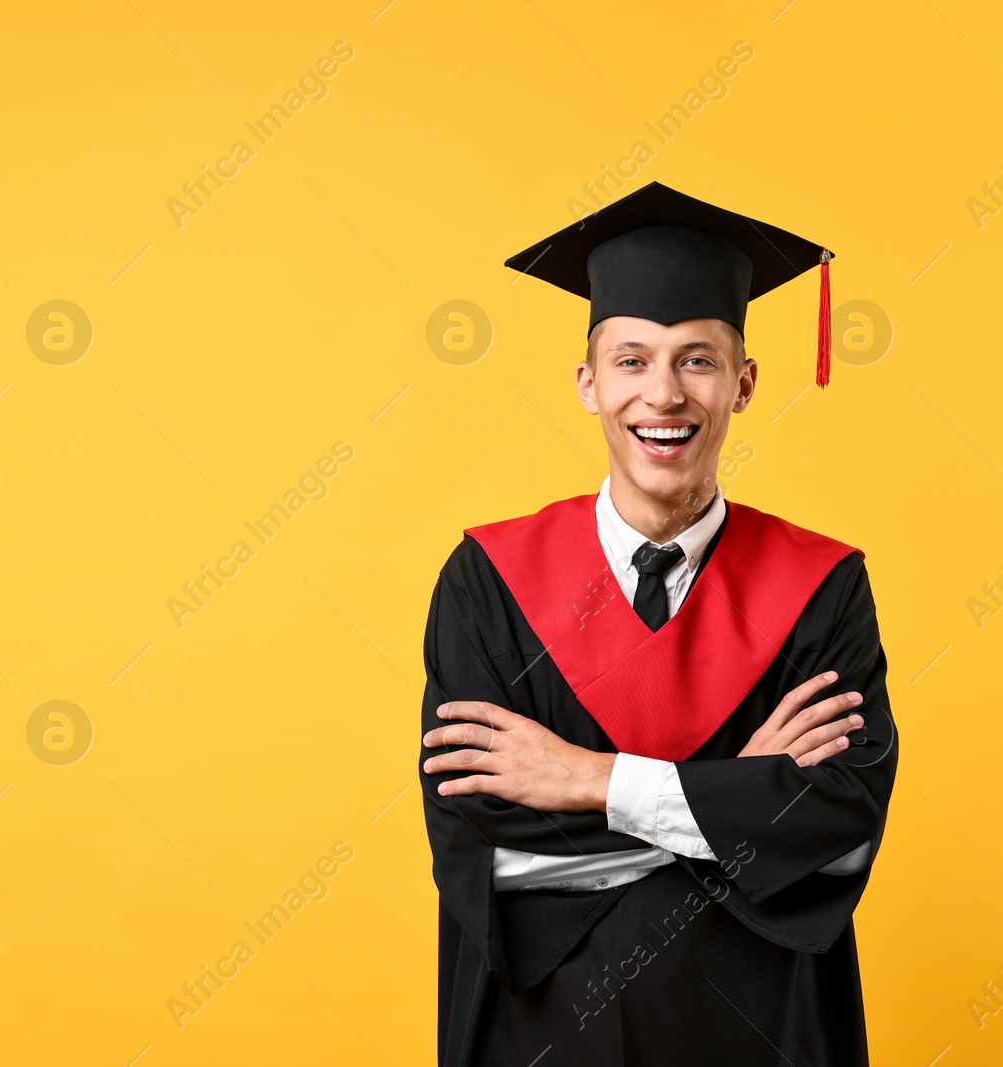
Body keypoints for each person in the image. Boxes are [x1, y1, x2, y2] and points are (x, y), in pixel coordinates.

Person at [419, 182, 897, 1066]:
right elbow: (484, 841)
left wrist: (588, 779)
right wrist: (736, 800)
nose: (664, 395)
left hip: (765, 1028)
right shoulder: (487, 581)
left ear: (744, 384)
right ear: (588, 385)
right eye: (632, 361)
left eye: (698, 360)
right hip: (547, 1032)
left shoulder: (823, 589)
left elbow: (836, 825)